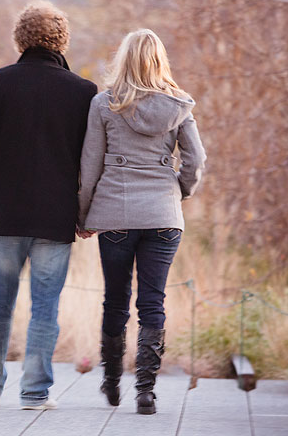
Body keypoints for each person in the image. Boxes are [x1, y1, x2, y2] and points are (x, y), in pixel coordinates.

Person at [0, 0, 97, 410]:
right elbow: (90, 160)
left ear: (19, 37)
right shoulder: (83, 92)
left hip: (6, 213)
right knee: (45, 309)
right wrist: (83, 207)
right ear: (63, 39)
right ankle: (35, 392)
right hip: (55, 218)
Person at [77, 29, 206, 415]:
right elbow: (196, 162)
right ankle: (146, 392)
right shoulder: (179, 104)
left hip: (116, 213)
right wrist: (177, 194)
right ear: (159, 61)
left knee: (116, 298)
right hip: (164, 216)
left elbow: (90, 164)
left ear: (124, 60)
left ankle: (112, 381)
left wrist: (83, 215)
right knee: (154, 300)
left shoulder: (105, 103)